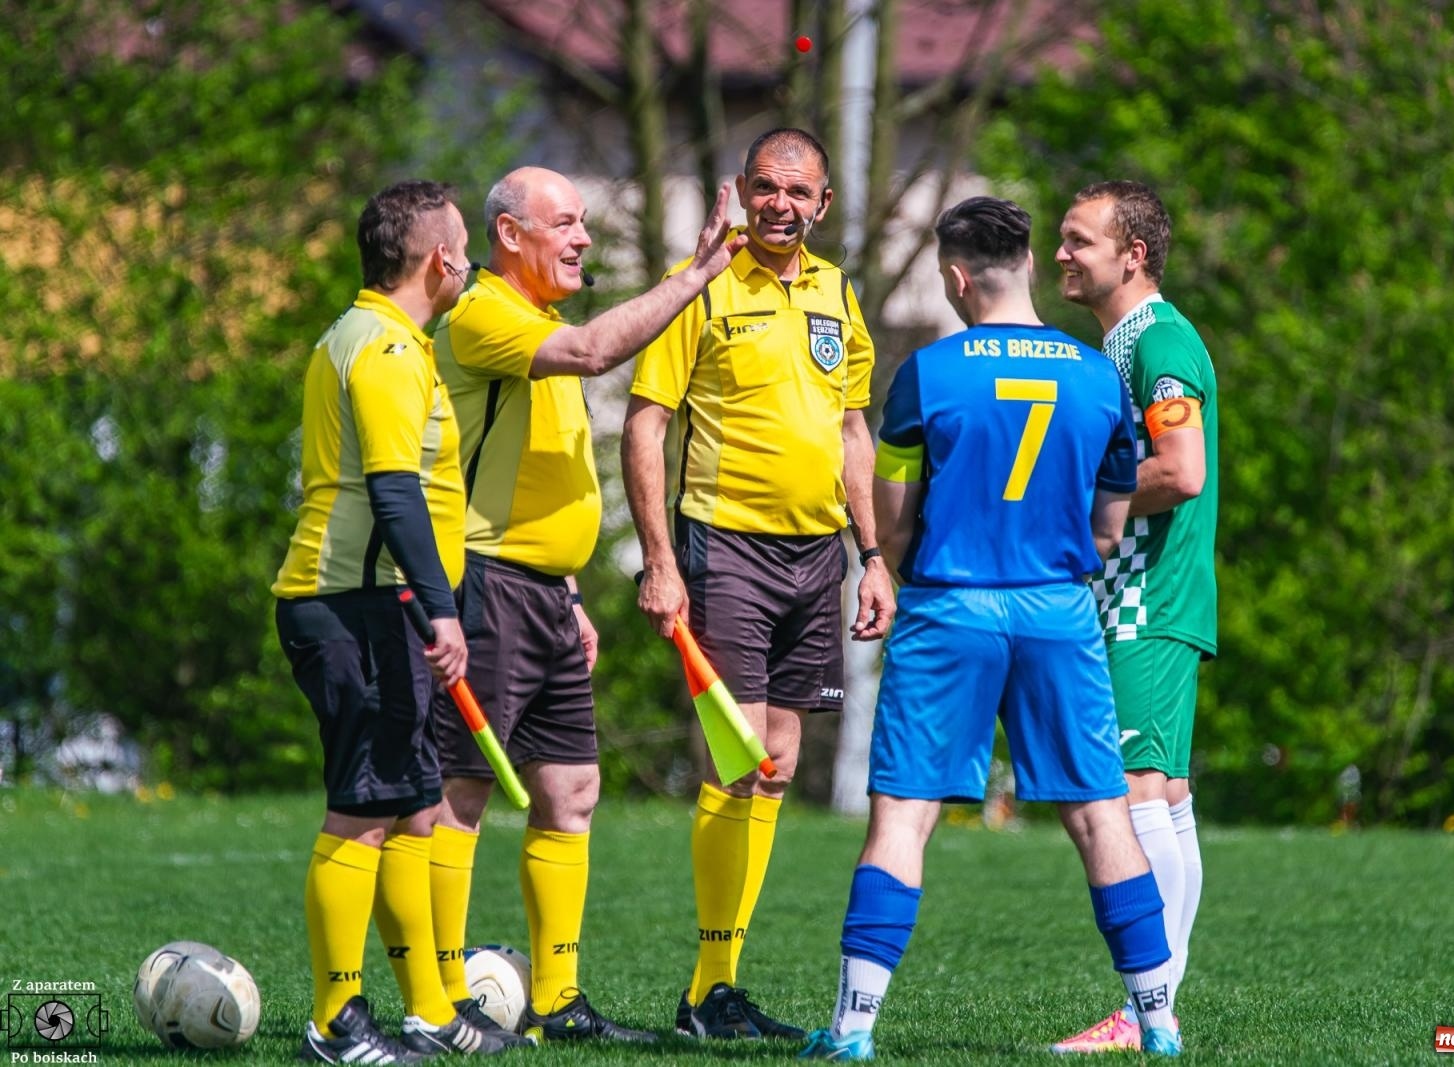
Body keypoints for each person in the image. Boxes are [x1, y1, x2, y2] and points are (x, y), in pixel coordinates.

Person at [797, 196, 1181, 1062]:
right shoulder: (1097, 374)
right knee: (1100, 813)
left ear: (956, 277)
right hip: (1056, 609)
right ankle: (1158, 1019)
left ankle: (853, 1030)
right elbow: (1111, 527)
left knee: (904, 814)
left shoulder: (928, 374)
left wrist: (892, 560)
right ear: (1033, 266)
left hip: (950, 607)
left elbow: (891, 521)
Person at [426, 167, 746, 1044]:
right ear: (508, 235)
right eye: (564, 223)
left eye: (583, 225)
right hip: (484, 586)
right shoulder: (484, 313)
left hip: (544, 596)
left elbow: (540, 474)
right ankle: (442, 1001)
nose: (581, 240)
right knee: (460, 792)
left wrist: (569, 591)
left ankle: (558, 1002)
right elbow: (600, 351)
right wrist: (696, 275)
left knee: (571, 789)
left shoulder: (538, 320)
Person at [621, 127, 895, 1040]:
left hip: (819, 555)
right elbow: (645, 423)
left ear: (823, 204)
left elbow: (854, 431)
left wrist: (874, 553)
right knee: (731, 761)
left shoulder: (838, 292)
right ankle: (708, 987)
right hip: (725, 547)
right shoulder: (698, 279)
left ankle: (720, 989)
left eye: (800, 192)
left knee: (773, 766)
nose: (782, 204)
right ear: (741, 189)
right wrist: (660, 558)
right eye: (766, 187)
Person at [272, 180, 524, 1063]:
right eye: (466, 247)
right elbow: (393, 490)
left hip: (380, 605)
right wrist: (442, 609)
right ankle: (334, 1021)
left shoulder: (393, 339)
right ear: (438, 260)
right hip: (346, 607)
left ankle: (428, 1010)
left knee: (415, 809)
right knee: (362, 814)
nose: (473, 262)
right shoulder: (380, 346)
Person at [1050, 180, 1217, 1055]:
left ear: (1133, 255)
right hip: (1144, 598)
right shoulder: (1125, 345)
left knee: (1135, 794)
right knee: (1169, 793)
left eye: (1079, 240)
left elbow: (1180, 469)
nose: (1060, 254)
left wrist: (1073, 497)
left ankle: (1150, 1006)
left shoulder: (1159, 340)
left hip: (1147, 600)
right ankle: (1159, 1001)